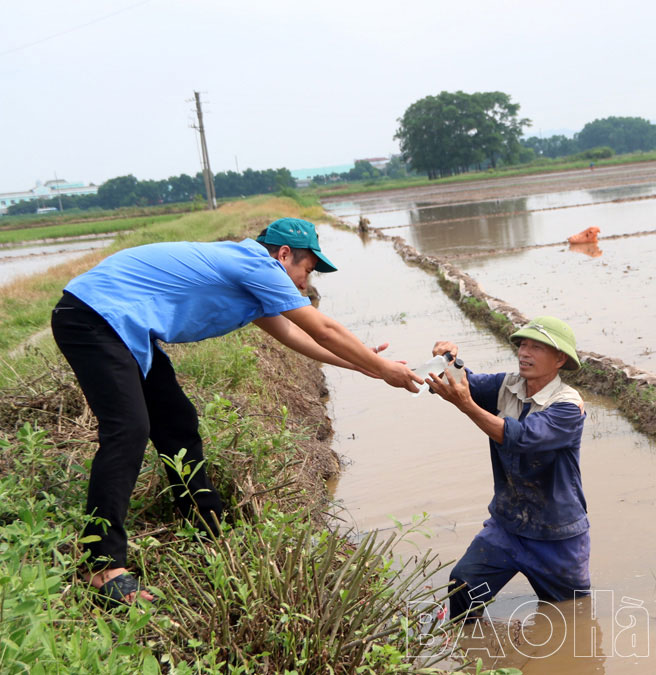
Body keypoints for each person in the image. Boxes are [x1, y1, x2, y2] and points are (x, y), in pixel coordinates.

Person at [51, 217, 425, 605]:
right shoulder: (257, 266)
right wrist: (381, 369)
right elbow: (322, 329)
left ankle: (207, 527)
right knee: (127, 430)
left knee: (177, 424)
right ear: (283, 255)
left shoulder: (251, 279)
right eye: (307, 271)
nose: (305, 284)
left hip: (123, 328)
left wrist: (365, 365)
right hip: (92, 318)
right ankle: (104, 567)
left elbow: (294, 335)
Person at [424, 317, 590, 620]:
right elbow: (463, 383)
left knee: (571, 613)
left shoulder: (568, 406)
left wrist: (467, 406)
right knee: (463, 586)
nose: (524, 352)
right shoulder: (507, 385)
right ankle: (470, 654)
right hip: (507, 525)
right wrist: (447, 360)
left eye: (536, 347)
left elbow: (521, 438)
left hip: (556, 534)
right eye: (523, 345)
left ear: (559, 359)